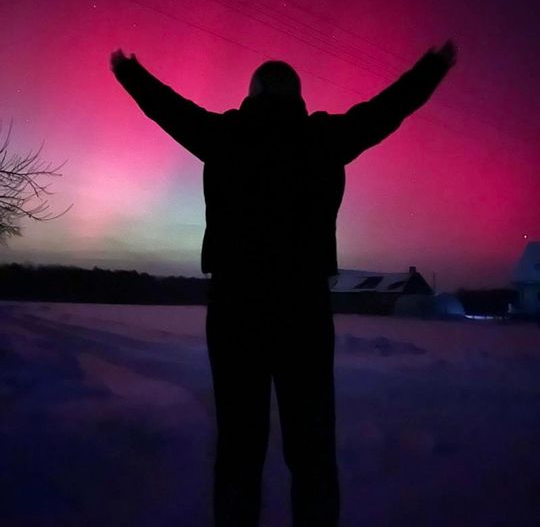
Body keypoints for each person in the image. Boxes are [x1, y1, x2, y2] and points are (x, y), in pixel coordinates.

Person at [110, 41, 457, 526]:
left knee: (239, 447)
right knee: (312, 451)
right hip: (303, 310)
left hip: (235, 309)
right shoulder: (323, 138)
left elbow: (167, 109)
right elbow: (387, 110)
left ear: (253, 92)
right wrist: (432, 67)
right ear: (297, 95)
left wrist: (130, 72)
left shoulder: (226, 134)